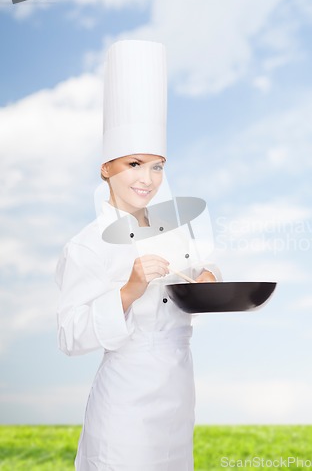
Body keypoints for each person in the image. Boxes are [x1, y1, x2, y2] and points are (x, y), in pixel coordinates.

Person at [56, 40, 220, 470]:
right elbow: (70, 337)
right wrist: (128, 290)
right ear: (106, 167)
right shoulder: (87, 244)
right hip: (125, 407)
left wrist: (207, 281)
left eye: (157, 165)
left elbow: (188, 289)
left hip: (179, 398)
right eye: (133, 164)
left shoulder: (174, 230)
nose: (147, 178)